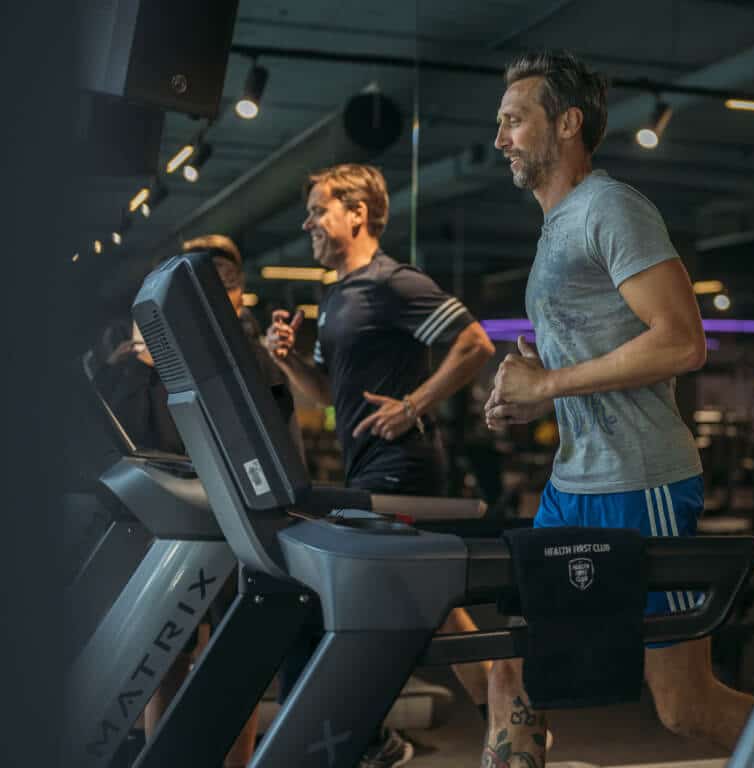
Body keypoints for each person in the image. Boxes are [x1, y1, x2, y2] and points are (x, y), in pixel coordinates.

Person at [482, 49, 754, 767]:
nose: (501, 137)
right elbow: (594, 357)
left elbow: (683, 342)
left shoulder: (610, 207)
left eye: (514, 120)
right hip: (573, 484)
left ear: (566, 123)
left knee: (684, 707)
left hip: (642, 481)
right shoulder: (556, 228)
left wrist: (544, 387)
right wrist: (527, 388)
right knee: (511, 658)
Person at [266, 163, 496, 767]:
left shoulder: (393, 282)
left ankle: (371, 740)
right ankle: (512, 716)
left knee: (348, 592)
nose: (308, 222)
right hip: (368, 466)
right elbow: (323, 393)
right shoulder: (336, 295)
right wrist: (289, 361)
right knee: (438, 607)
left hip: (404, 466)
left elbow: (475, 342)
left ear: (357, 213)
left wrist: (415, 403)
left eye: (318, 210)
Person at [94, 234, 292, 768]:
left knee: (235, 648)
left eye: (225, 287)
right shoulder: (147, 359)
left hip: (240, 517)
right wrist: (139, 356)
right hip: (170, 518)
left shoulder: (247, 357)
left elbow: (276, 422)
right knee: (168, 648)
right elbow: (129, 434)